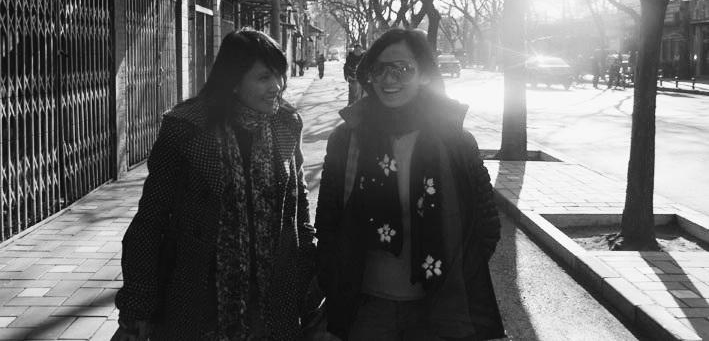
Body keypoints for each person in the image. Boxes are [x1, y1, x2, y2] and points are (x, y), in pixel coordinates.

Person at [113, 29, 316, 341]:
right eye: (264, 77)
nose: (277, 86)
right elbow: (151, 221)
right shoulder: (185, 129)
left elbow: (298, 204)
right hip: (200, 299)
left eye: (279, 74)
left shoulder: (285, 123)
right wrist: (137, 305)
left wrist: (308, 276)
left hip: (273, 301)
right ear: (233, 80)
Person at [316, 28, 504, 341]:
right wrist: (335, 285)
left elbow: (485, 224)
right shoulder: (347, 139)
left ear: (425, 75)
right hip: (364, 309)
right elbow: (328, 223)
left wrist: (457, 276)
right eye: (379, 69)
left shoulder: (455, 142)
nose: (388, 79)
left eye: (402, 69)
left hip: (438, 309)